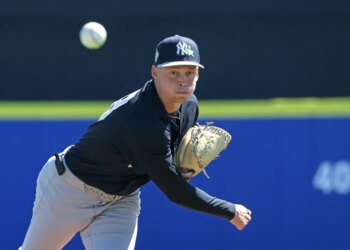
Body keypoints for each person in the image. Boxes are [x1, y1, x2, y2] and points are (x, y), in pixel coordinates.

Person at [20, 34, 252, 250]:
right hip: (69, 190)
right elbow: (176, 192)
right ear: (155, 73)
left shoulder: (190, 105)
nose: (183, 80)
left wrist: (180, 169)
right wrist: (229, 210)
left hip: (120, 200)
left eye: (189, 72)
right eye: (173, 72)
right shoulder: (140, 121)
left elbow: (169, 160)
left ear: (198, 74)